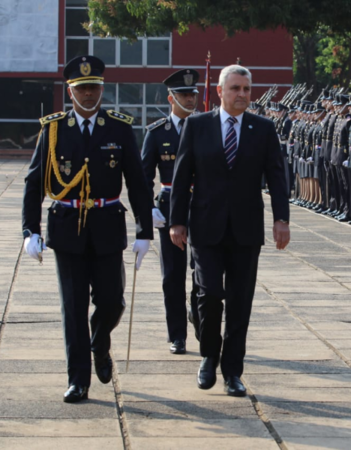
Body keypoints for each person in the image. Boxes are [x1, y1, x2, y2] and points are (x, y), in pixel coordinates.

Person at [22, 55, 154, 403]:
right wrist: (29, 230)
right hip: (66, 228)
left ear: (102, 89)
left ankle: (99, 341)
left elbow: (137, 183)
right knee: (73, 306)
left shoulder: (119, 127)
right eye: (82, 89)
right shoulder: (53, 129)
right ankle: (78, 379)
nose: (89, 94)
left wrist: (144, 232)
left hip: (108, 225)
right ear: (70, 91)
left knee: (112, 301)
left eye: (94, 87)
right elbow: (34, 182)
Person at [169, 65, 290, 397]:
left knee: (240, 301)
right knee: (209, 295)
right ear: (220, 91)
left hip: (246, 228)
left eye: (247, 89)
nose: (242, 94)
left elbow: (277, 176)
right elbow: (182, 176)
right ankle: (209, 353)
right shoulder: (197, 126)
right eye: (235, 88)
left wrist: (282, 218)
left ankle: (232, 371)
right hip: (206, 226)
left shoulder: (263, 128)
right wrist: (176, 221)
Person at [141, 69, 202, 354]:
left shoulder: (206, 128)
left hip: (202, 206)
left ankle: (201, 320)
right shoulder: (157, 133)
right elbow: (143, 178)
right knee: (172, 276)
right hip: (168, 208)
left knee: (203, 272)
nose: (190, 99)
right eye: (184, 95)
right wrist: (148, 209)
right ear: (171, 98)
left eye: (193, 94)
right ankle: (177, 334)